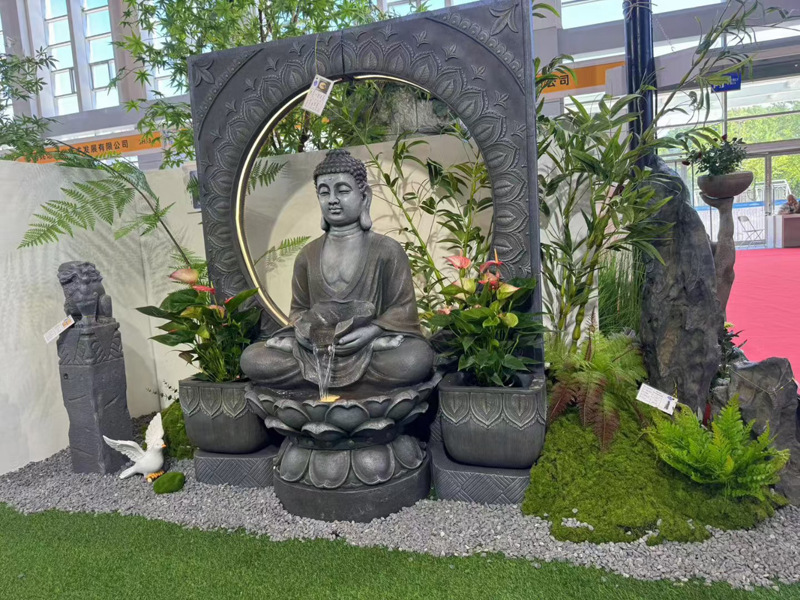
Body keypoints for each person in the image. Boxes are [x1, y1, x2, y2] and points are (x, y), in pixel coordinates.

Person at [240, 149, 434, 391]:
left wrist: (372, 332)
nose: (332, 200)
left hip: (369, 346)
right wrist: (302, 334)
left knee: (415, 359)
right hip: (316, 349)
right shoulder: (307, 255)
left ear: (364, 197)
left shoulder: (387, 250)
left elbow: (403, 308)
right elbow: (299, 310)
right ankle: (350, 384)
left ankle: (332, 378)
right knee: (253, 358)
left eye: (342, 191)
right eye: (324, 192)